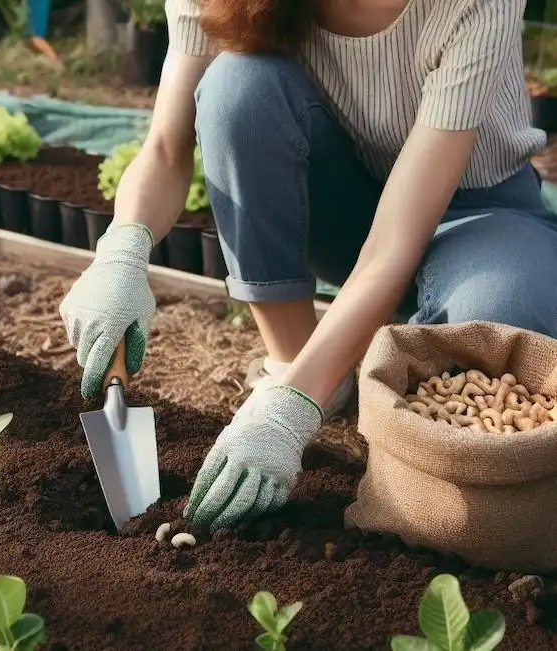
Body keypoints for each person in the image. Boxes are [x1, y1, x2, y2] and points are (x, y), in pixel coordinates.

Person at [59, 0, 557, 532]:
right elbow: (164, 146)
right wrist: (122, 252)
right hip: (342, 203)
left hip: (480, 210)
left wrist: (288, 413)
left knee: (504, 317)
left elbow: (395, 242)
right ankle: (300, 363)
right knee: (238, 89)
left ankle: (331, 374)